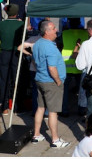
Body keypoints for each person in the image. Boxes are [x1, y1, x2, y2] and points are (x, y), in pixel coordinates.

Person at [31, 20, 69, 148]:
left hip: (40, 79)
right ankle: (55, 140)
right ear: (47, 32)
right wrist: (58, 81)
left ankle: (36, 135)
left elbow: (35, 61)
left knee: (40, 108)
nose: (56, 31)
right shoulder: (50, 48)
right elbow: (52, 68)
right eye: (53, 29)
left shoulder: (37, 44)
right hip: (51, 82)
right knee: (53, 112)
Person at [0, 4, 24, 116]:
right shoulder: (21, 24)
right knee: (17, 79)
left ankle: (4, 107)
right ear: (16, 13)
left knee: (4, 80)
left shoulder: (1, 24)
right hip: (16, 54)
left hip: (4, 53)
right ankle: (17, 107)